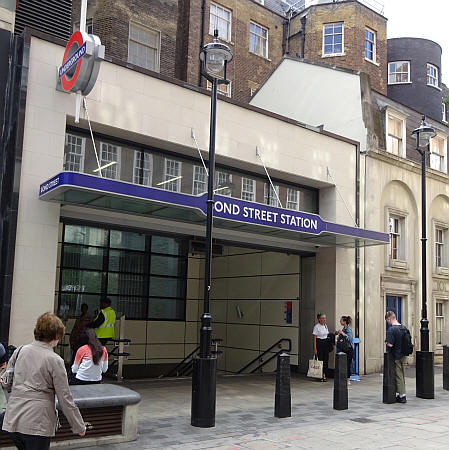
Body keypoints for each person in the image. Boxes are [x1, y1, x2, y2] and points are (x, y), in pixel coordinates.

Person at [2, 312, 86, 449]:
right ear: (56, 335)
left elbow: (6, 382)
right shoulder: (55, 360)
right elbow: (65, 397)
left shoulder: (19, 351)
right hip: (38, 421)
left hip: (14, 417)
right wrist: (79, 426)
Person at [385, 310, 407, 404]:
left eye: (387, 320)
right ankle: (401, 393)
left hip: (396, 355)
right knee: (402, 374)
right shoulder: (404, 328)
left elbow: (390, 344)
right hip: (404, 354)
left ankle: (402, 396)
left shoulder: (391, 329)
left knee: (398, 375)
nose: (388, 322)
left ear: (389, 318)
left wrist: (386, 342)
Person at [335, 315, 354, 384]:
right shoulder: (344, 329)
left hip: (349, 349)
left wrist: (342, 334)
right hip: (345, 349)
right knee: (345, 364)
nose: (340, 321)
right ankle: (346, 379)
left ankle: (348, 380)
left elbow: (350, 338)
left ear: (344, 321)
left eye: (341, 320)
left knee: (348, 364)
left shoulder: (348, 329)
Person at [313, 313, 330, 382]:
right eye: (322, 318)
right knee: (320, 359)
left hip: (325, 343)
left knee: (326, 359)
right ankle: (320, 375)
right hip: (319, 343)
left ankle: (324, 374)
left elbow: (327, 334)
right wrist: (315, 348)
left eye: (325, 318)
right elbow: (314, 338)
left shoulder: (325, 326)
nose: (324, 320)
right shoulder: (316, 327)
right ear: (319, 319)